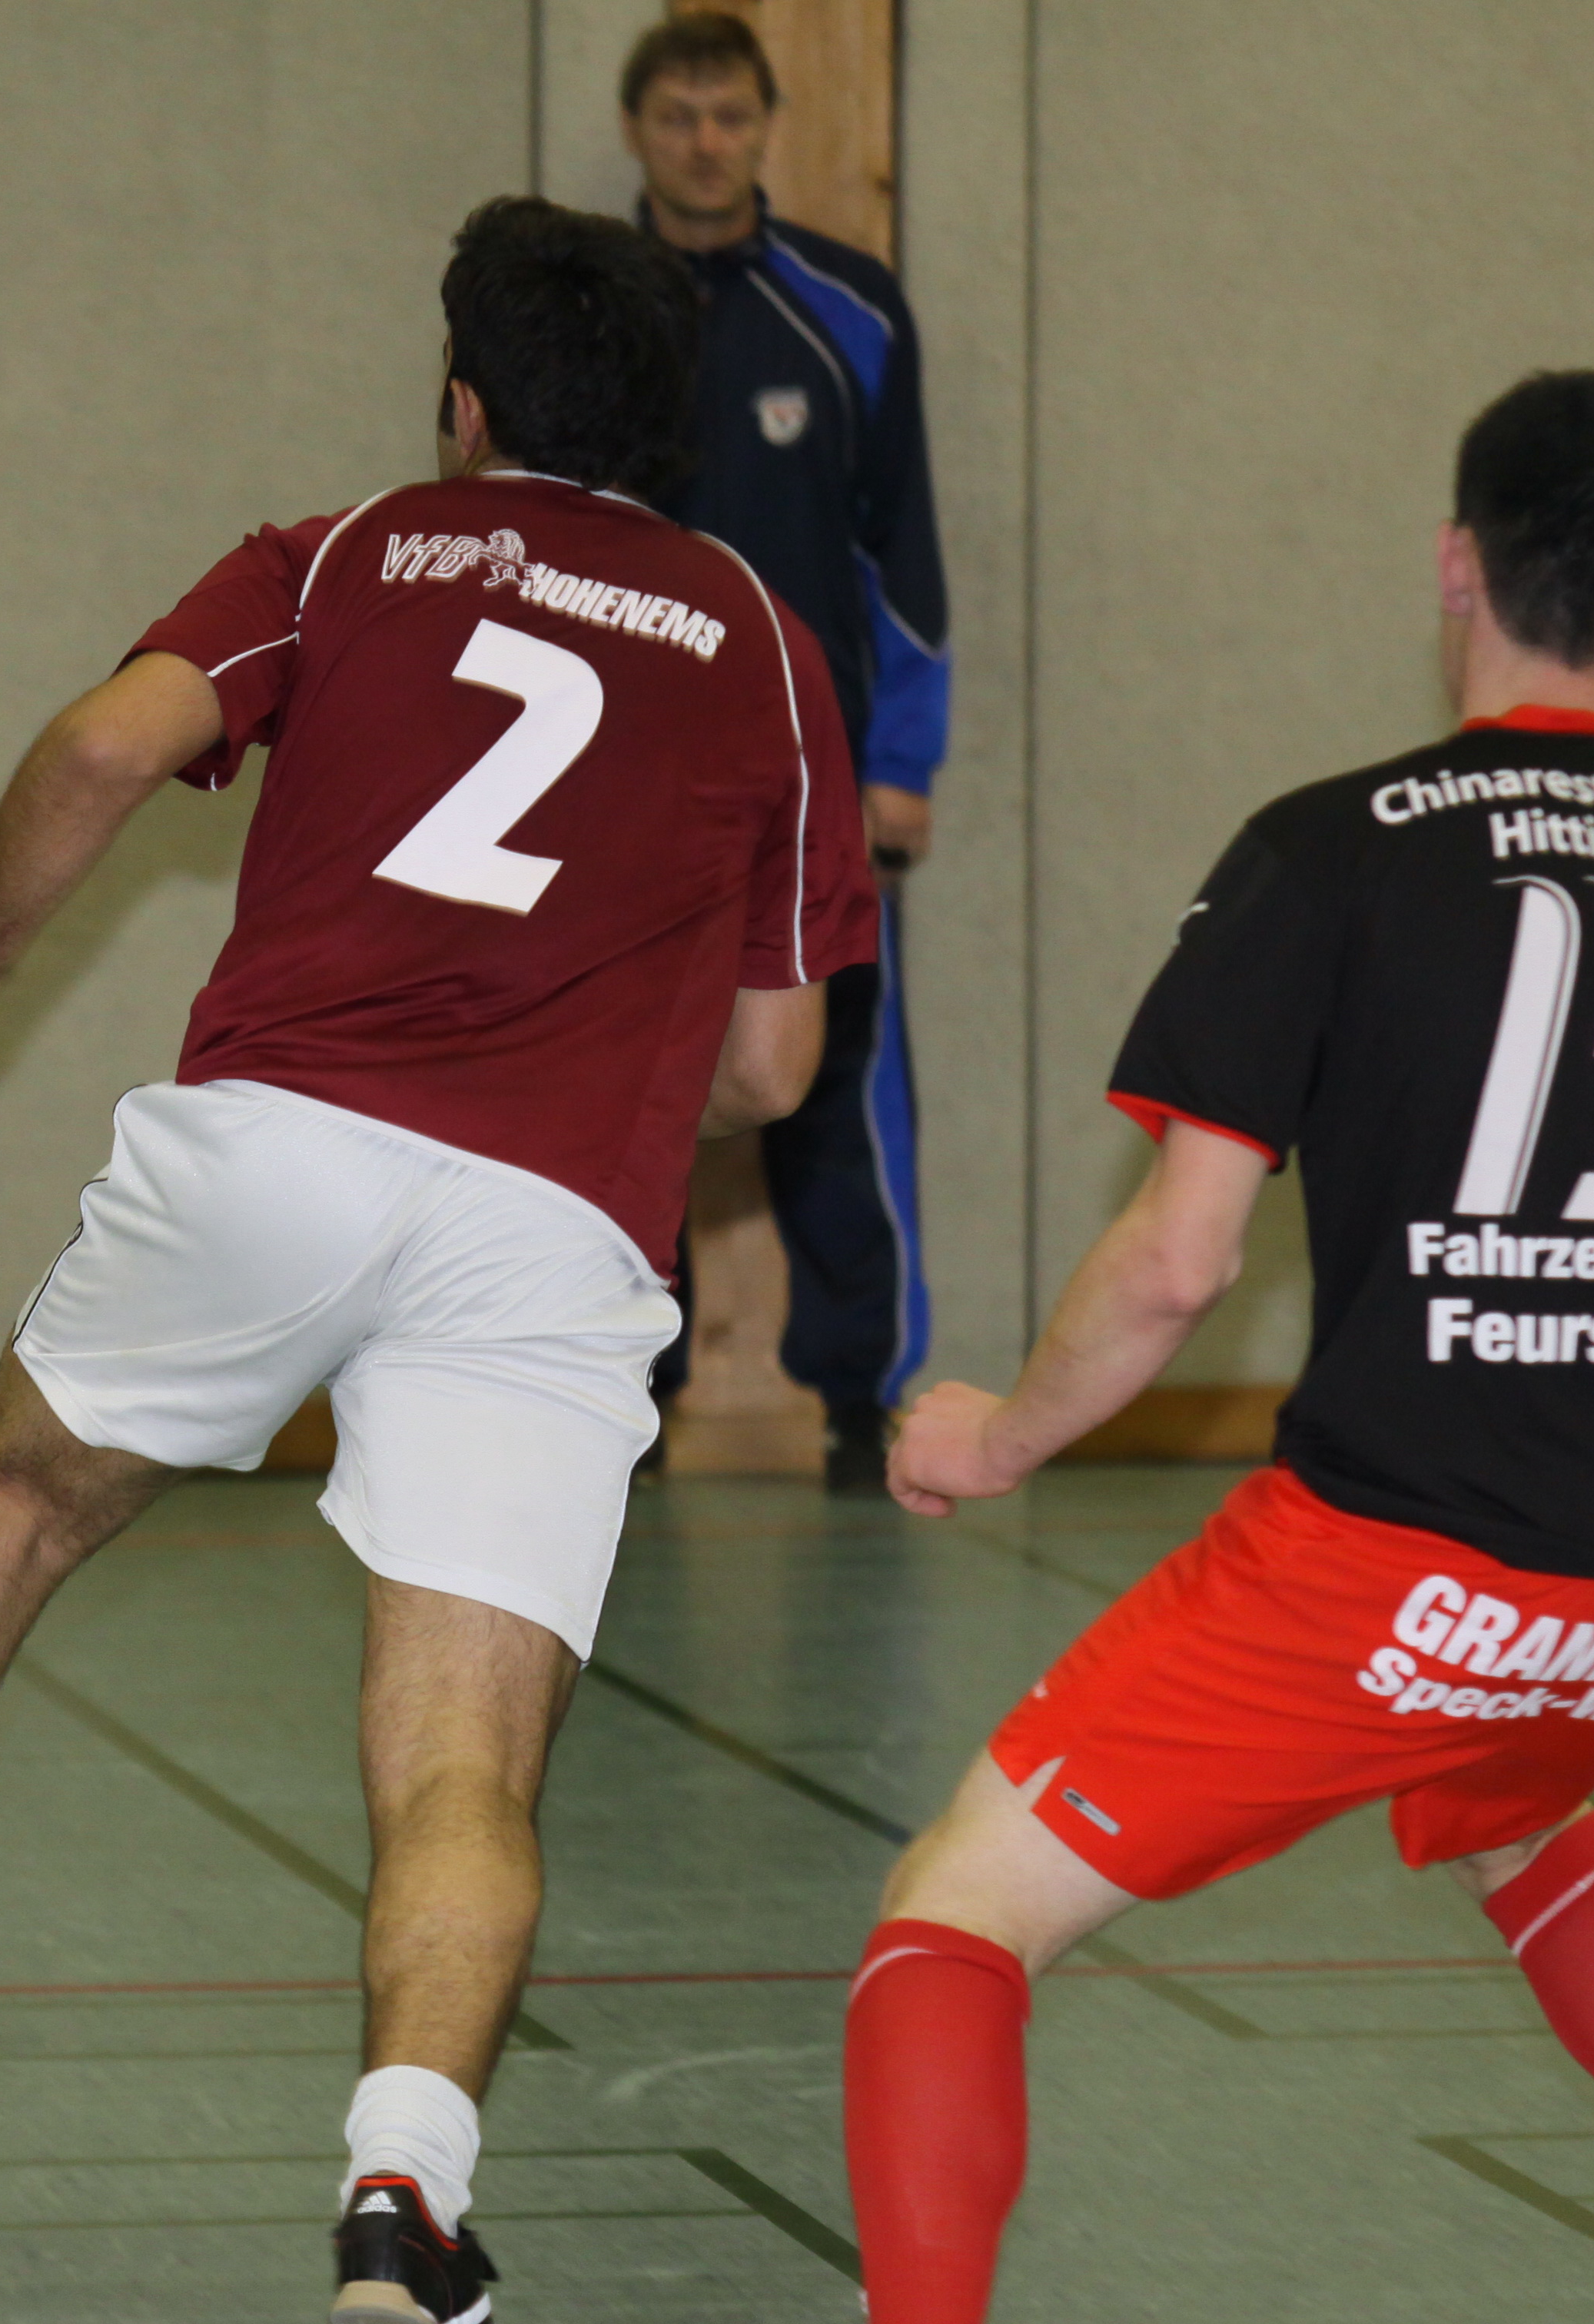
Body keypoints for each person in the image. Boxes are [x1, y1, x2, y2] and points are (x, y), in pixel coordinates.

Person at [0, 196, 876, 2324]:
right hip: (547, 1225)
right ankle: (404, 2200)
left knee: (12, 1506)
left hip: (276, 1142)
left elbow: (105, 747)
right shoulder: (765, 646)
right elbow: (772, 1068)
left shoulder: (346, 549)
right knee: (464, 1756)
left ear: (462, 401)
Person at [815, 373, 1594, 2324]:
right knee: (1511, 1813)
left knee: (956, 1913)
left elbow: (1176, 1262)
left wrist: (988, 1437)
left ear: (1455, 562)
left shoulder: (1330, 848)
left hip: (1391, 1567)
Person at [620, 11, 951, 1489]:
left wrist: (902, 761)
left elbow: (905, 555)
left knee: (835, 1092)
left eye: (730, 116)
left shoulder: (850, 310)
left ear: (764, 126)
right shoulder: (595, 308)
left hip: (816, 790)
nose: (706, 143)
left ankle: (859, 1402)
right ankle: (621, 1393)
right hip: (625, 792)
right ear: (637, 131)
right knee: (631, 1087)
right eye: (677, 116)